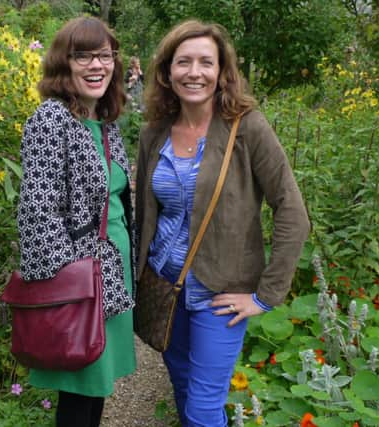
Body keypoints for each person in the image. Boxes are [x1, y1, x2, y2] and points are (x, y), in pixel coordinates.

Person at [135, 20, 310, 427]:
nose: (194, 72)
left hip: (221, 293)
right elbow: (144, 213)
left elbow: (292, 210)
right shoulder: (153, 132)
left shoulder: (247, 127)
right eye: (183, 62)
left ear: (222, 72)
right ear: (166, 71)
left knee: (203, 410)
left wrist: (265, 295)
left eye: (205, 62)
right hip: (165, 285)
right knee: (182, 388)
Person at [17, 17, 136, 427]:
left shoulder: (104, 122)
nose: (96, 65)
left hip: (111, 272)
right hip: (81, 281)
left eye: (104, 55)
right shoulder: (51, 120)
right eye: (82, 55)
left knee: (98, 384)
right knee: (78, 390)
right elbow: (37, 209)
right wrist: (67, 285)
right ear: (62, 64)